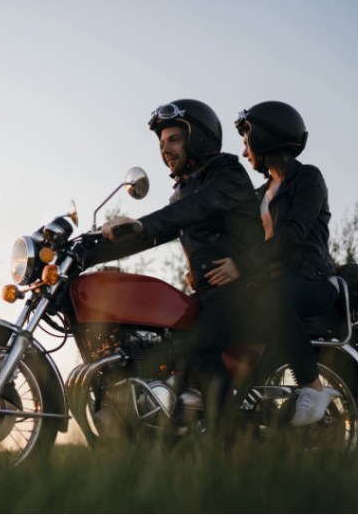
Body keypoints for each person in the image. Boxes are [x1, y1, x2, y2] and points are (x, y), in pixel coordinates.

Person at [95, 98, 264, 432]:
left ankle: (221, 438)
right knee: (160, 341)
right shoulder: (181, 192)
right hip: (208, 293)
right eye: (161, 143)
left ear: (197, 137)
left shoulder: (226, 172)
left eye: (173, 139)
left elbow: (194, 210)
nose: (166, 149)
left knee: (199, 347)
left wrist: (143, 224)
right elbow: (158, 232)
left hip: (245, 290)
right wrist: (93, 247)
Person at [205, 100, 340, 426]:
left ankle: (312, 386)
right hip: (274, 283)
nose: (244, 149)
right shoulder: (258, 195)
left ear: (265, 136)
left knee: (272, 298)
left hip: (314, 280)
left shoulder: (308, 179)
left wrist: (242, 265)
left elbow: (293, 234)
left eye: (246, 138)